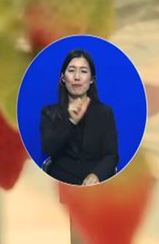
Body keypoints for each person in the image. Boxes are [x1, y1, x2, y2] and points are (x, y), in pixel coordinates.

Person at [40, 49, 119, 185]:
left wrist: (96, 175)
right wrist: (72, 121)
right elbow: (48, 148)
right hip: (60, 183)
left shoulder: (105, 112)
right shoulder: (49, 112)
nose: (77, 77)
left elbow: (111, 155)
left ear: (92, 80)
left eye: (83, 71)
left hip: (94, 188)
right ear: (63, 78)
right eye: (71, 70)